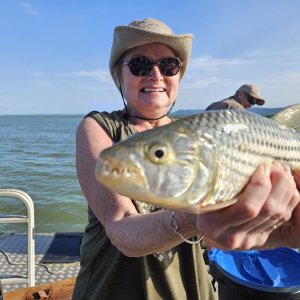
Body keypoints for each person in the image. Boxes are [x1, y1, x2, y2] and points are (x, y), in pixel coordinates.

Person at [72, 18, 300, 300]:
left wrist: (259, 222)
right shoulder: (100, 127)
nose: (156, 75)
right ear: (119, 75)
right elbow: (121, 229)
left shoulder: (201, 135)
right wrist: (196, 216)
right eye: (140, 64)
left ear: (178, 76)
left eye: (168, 66)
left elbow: (215, 240)